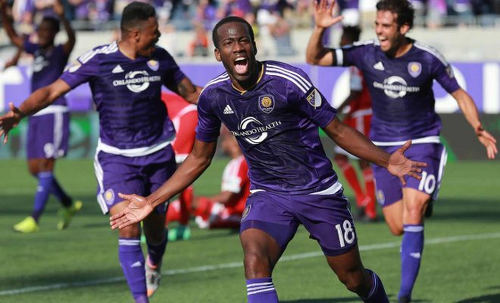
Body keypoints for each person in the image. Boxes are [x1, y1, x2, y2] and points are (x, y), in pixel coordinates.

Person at [110, 16, 427, 303]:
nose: (238, 48)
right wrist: (153, 201)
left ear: (254, 45)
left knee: (352, 278)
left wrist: (387, 160)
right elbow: (198, 158)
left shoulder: (288, 80)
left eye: (244, 40)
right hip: (268, 195)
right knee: (254, 261)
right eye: (229, 43)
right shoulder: (212, 97)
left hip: (318, 192)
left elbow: (338, 130)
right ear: (218, 53)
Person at [0, 2, 201, 302]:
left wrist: (232, 99)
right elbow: (53, 90)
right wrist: (20, 113)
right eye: (154, 32)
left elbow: (191, 92)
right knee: (128, 228)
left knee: (156, 230)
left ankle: (154, 263)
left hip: (159, 154)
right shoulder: (98, 60)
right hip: (117, 159)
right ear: (135, 34)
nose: (159, 36)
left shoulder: (160, 58)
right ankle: (140, 299)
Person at [305, 0, 498, 302]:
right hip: (383, 150)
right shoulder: (365, 52)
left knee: (413, 211)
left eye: (385, 26)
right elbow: (315, 58)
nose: (379, 31)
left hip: (423, 142)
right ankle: (421, 204)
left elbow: (458, 93)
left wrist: (476, 127)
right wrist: (319, 29)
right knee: (397, 226)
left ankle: (404, 296)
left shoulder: (427, 58)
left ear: (403, 28)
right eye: (377, 24)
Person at [1, 0, 81, 233]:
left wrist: (63, 17)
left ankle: (34, 219)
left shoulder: (59, 52)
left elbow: (73, 39)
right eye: (41, 29)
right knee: (34, 168)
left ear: (55, 33)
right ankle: (68, 204)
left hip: (54, 111)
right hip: (35, 113)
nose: (43, 33)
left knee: (46, 166)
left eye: (48, 30)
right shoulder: (35, 50)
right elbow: (14, 37)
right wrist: (4, 13)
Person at [333, 25, 377, 222]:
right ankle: (364, 202)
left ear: (349, 40)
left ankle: (368, 207)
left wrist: (336, 109)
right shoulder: (362, 58)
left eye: (342, 38)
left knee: (361, 160)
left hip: (361, 114)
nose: (340, 42)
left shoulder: (356, 60)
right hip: (359, 114)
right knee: (347, 158)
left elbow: (356, 92)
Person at [166, 127, 250, 230]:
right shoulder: (243, 162)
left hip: (235, 213)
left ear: (233, 144)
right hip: (238, 211)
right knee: (183, 205)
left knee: (184, 205)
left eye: (224, 140)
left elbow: (227, 196)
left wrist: (201, 202)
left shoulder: (239, 163)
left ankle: (158, 228)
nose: (222, 144)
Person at [162, 91, 198, 241]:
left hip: (185, 118)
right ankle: (183, 226)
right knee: (184, 175)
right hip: (191, 115)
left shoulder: (139, 95)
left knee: (168, 175)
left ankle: (160, 228)